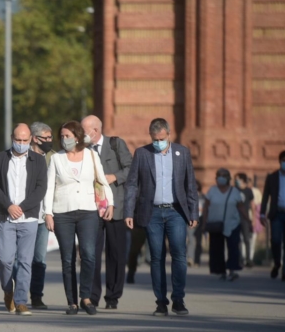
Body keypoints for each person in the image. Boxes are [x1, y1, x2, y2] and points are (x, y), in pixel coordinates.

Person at [124, 118, 198, 317]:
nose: (158, 142)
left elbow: (190, 184)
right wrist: (129, 212)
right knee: (156, 257)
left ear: (168, 135)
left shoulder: (182, 153)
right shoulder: (142, 153)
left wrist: (193, 212)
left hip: (176, 212)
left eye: (161, 139)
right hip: (152, 213)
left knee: (179, 256)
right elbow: (132, 184)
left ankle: (179, 300)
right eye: (154, 139)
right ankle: (161, 302)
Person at [45, 121, 113, 316]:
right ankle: (72, 302)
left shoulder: (92, 155)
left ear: (76, 137)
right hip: (62, 213)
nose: (64, 139)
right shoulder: (57, 159)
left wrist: (110, 203)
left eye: (67, 136)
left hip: (87, 211)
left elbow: (102, 180)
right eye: (62, 136)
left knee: (89, 254)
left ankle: (86, 297)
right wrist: (48, 213)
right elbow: (50, 187)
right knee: (68, 259)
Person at [0, 123, 47, 316]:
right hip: (6, 217)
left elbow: (41, 189)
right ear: (12, 138)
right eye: (17, 140)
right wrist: (9, 206)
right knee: (5, 260)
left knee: (25, 261)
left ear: (30, 139)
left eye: (25, 140)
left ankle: (21, 301)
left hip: (29, 218)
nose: (21, 143)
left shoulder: (38, 161)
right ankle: (8, 291)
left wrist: (22, 207)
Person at [82, 115, 132, 310]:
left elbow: (131, 168)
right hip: (91, 209)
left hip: (116, 209)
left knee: (116, 254)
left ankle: (113, 297)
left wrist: (114, 176)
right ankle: (92, 296)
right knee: (91, 254)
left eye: (84, 131)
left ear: (95, 131)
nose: (81, 135)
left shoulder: (115, 144)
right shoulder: (81, 150)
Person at [27, 121, 55, 309]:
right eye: (47, 138)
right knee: (19, 258)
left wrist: (50, 212)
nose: (50, 141)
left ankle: (36, 296)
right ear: (36, 139)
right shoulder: (21, 155)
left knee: (39, 259)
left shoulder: (53, 157)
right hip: (23, 215)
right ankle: (16, 293)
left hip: (43, 216)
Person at [202, 169, 246, 281]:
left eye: (224, 176)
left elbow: (241, 207)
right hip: (216, 224)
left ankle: (232, 270)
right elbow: (206, 207)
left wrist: (249, 220)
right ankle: (221, 271)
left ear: (228, 178)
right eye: (219, 176)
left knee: (233, 247)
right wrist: (204, 222)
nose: (221, 178)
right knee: (217, 248)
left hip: (232, 223)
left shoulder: (235, 191)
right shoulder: (212, 190)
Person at [260, 150, 285, 281]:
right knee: (276, 240)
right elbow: (265, 196)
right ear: (280, 161)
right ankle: (277, 263)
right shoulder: (272, 177)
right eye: (284, 161)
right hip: (276, 214)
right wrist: (262, 213)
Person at [234, 173, 256, 268]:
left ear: (242, 180)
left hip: (245, 218)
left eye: (237, 179)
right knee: (237, 240)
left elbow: (252, 205)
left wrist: (254, 218)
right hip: (235, 218)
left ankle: (248, 259)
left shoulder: (248, 191)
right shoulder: (234, 190)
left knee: (247, 239)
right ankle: (239, 259)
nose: (236, 181)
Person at [186, 181, 205, 267]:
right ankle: (190, 258)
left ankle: (197, 260)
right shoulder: (188, 197)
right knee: (191, 240)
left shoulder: (204, 197)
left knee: (198, 242)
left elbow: (206, 208)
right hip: (191, 219)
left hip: (201, 220)